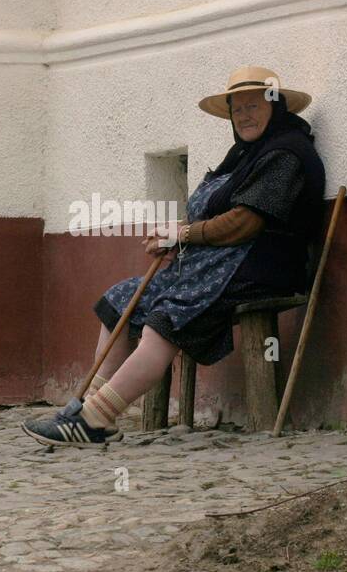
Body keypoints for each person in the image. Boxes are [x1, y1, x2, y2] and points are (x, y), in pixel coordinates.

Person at [23, 65, 326, 447]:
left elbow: (245, 223)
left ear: (276, 107)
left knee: (166, 316)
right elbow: (213, 215)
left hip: (261, 269)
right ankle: (84, 406)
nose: (245, 115)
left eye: (254, 105)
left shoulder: (287, 155)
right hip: (217, 265)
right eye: (238, 109)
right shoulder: (244, 154)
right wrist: (176, 242)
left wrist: (184, 235)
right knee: (122, 301)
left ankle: (98, 417)